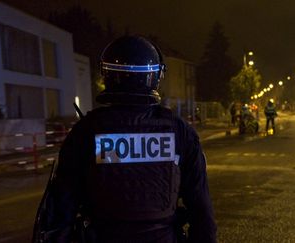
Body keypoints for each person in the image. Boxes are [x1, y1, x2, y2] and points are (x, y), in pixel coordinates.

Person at [35, 36, 217, 243]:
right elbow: (202, 211)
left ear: (107, 75)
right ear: (155, 76)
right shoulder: (180, 132)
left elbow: (59, 211)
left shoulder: (85, 132)